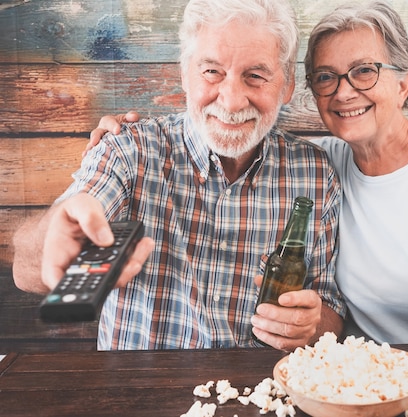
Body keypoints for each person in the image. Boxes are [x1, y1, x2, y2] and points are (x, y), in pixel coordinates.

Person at [85, 1, 408, 344]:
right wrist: (118, 138)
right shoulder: (323, 161)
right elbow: (228, 130)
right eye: (326, 76)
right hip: (372, 373)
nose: (344, 92)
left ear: (404, 82)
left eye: (364, 71)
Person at [11, 0, 346, 351]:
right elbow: (27, 270)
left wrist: (310, 325)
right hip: (140, 392)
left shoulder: (315, 174)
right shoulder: (129, 151)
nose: (231, 101)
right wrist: (56, 237)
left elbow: (330, 311)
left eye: (256, 76)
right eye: (211, 72)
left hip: (257, 395)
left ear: (287, 85)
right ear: (185, 75)